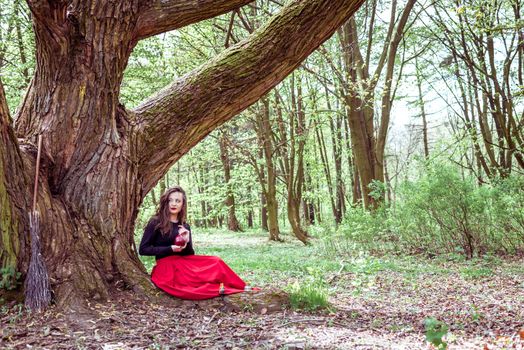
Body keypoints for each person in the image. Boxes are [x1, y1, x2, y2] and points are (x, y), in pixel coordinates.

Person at [139, 186, 251, 300]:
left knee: (216, 261)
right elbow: (143, 249)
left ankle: (241, 286)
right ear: (166, 202)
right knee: (188, 287)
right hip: (166, 266)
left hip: (183, 263)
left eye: (178, 201)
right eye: (170, 200)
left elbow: (189, 254)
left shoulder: (184, 225)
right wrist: (170, 248)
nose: (173, 204)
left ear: (183, 204)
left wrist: (186, 242)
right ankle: (218, 288)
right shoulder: (156, 222)